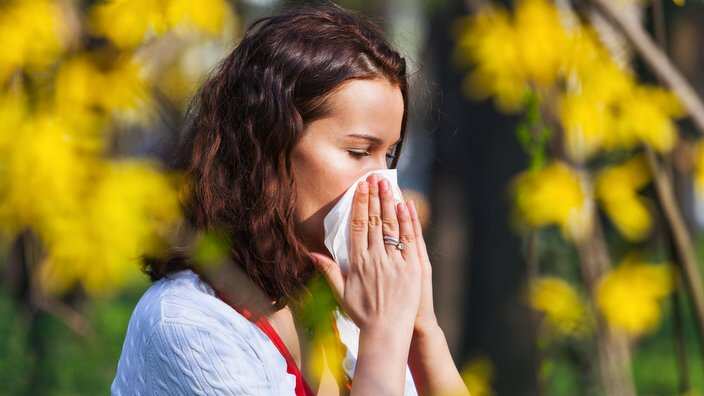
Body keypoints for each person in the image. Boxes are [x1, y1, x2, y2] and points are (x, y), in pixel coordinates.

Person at [110, 1, 470, 395]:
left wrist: (421, 329)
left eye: (387, 155)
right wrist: (383, 336)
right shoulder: (189, 325)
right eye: (357, 152)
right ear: (268, 146)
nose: (383, 185)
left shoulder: (347, 306)